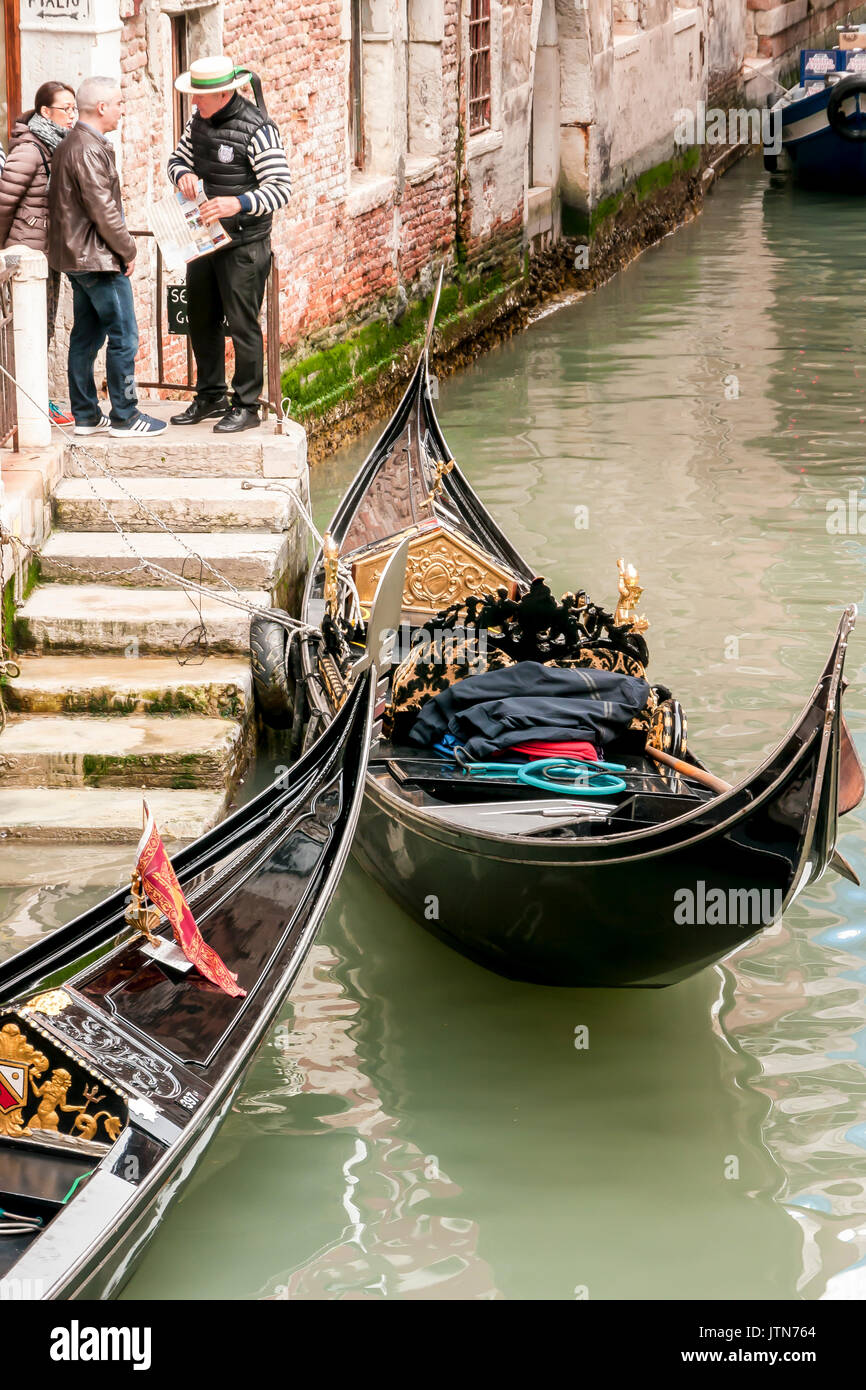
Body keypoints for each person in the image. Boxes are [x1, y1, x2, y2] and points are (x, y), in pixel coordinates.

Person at [167, 56, 291, 433]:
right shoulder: (197, 122)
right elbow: (175, 160)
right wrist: (184, 174)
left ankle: (248, 405)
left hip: (244, 245)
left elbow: (281, 189)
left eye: (199, 96)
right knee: (201, 319)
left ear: (223, 93)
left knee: (242, 325)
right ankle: (210, 396)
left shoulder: (259, 129)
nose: (193, 103)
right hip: (204, 241)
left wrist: (238, 203)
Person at [47, 75, 165, 438]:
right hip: (96, 259)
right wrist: (128, 249)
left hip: (78, 258)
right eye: (118, 103)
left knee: (86, 337)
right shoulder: (86, 148)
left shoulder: (75, 144)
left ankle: (85, 415)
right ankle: (125, 417)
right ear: (101, 108)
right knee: (124, 336)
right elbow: (104, 210)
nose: (122, 109)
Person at [0, 81, 78, 425]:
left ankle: (35, 403)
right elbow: (4, 202)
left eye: (75, 108)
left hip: (46, 254)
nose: (72, 116)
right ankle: (27, 407)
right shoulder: (31, 149)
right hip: (24, 254)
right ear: (46, 112)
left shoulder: (55, 145)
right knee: (26, 332)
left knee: (41, 328)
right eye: (66, 109)